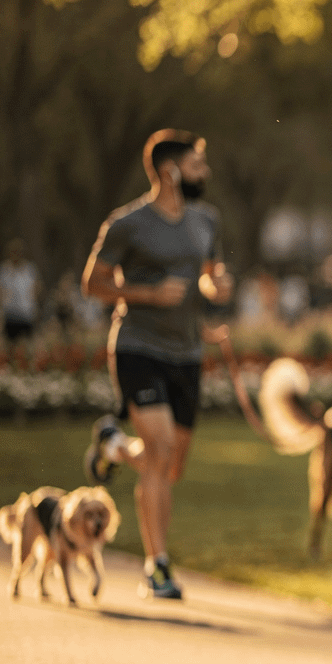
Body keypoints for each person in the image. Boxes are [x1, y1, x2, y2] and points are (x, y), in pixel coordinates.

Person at [80, 129, 232, 600]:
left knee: (169, 466)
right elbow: (93, 283)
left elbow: (210, 274)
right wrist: (146, 294)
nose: (204, 173)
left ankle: (113, 447)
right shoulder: (128, 224)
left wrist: (217, 289)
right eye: (196, 166)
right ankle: (158, 567)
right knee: (161, 447)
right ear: (169, 172)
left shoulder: (207, 220)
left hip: (188, 353)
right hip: (137, 347)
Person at [0, 239, 42, 367]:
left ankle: (28, 370)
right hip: (10, 313)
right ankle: (11, 371)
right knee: (9, 347)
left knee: (28, 347)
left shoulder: (29, 270)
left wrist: (33, 301)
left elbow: (37, 287)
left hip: (26, 313)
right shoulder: (3, 270)